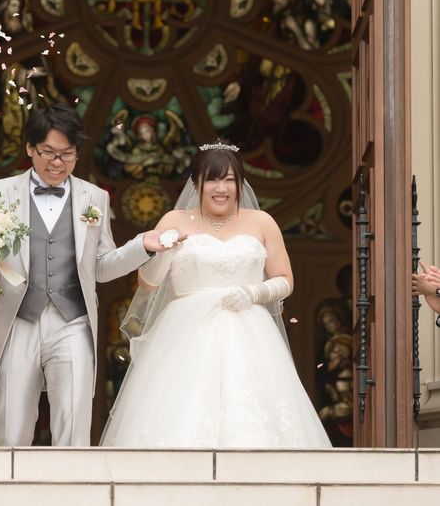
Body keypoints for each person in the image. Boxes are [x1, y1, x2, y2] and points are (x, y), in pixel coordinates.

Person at [0, 102, 168, 446]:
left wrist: (142, 246)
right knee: (11, 431)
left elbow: (100, 266)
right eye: (48, 152)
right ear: (30, 148)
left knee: (73, 431)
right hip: (16, 319)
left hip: (73, 321)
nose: (57, 162)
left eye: (67, 154)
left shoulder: (95, 197)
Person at [101, 142, 331, 448]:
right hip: (185, 330)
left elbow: (285, 279)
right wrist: (166, 252)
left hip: (249, 329)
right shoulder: (174, 219)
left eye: (229, 180)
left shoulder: (262, 222)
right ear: (196, 183)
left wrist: (254, 292)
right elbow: (148, 283)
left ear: (240, 183)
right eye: (211, 179)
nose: (221, 189)